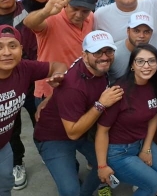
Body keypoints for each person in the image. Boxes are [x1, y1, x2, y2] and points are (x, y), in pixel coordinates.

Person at [34, 31, 124, 196]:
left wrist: (53, 96)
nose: (104, 57)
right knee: (70, 190)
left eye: (109, 51)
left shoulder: (91, 67)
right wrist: (101, 104)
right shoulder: (74, 87)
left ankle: (86, 193)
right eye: (97, 52)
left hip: (83, 130)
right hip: (54, 138)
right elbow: (73, 133)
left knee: (107, 163)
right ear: (85, 55)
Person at [95, 45, 157, 195]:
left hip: (141, 142)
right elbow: (102, 131)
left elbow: (154, 115)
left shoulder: (156, 84)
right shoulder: (119, 91)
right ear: (132, 65)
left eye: (151, 61)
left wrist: (147, 148)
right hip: (118, 151)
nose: (146, 66)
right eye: (140, 61)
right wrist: (102, 166)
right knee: (154, 183)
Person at [0, 25, 66, 194]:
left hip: (3, 146)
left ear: (21, 49)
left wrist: (57, 80)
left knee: (5, 186)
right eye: (0, 47)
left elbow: (59, 66)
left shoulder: (25, 68)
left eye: (12, 46)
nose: (6, 52)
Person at [24, 0, 96, 107]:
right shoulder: (52, 19)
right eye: (75, 9)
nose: (79, 15)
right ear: (66, 4)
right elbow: (28, 22)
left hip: (79, 89)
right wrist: (45, 12)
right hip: (50, 90)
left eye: (85, 11)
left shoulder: (91, 18)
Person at [109, 11, 154, 82]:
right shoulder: (113, 53)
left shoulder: (152, 53)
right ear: (128, 31)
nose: (141, 36)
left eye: (146, 32)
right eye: (136, 31)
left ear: (151, 33)